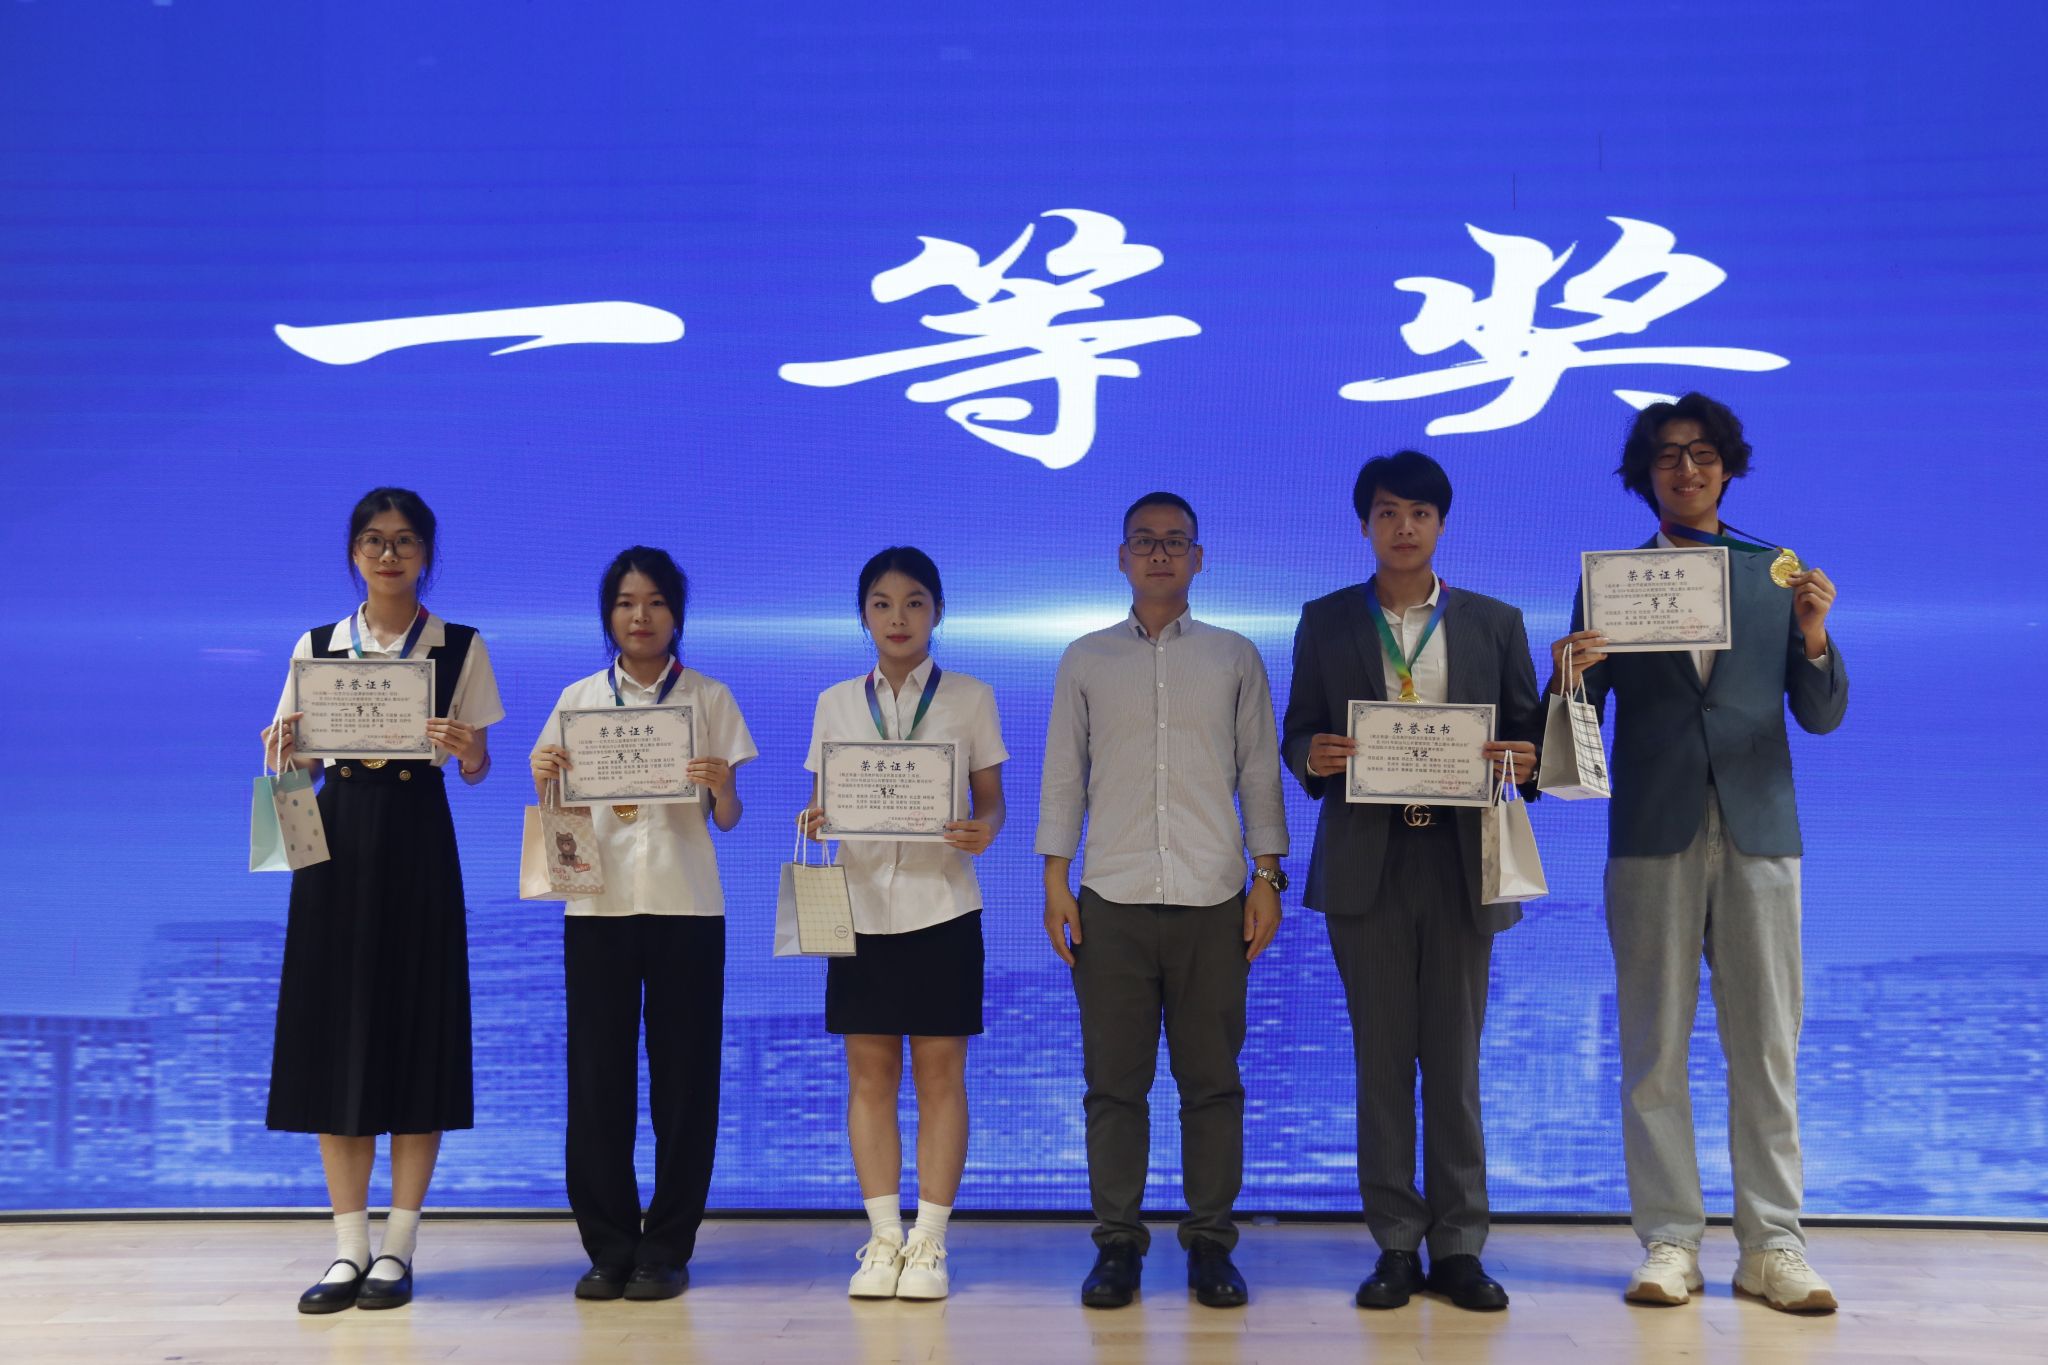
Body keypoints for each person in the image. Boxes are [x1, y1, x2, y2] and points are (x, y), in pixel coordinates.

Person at [1551, 393, 1847, 1313]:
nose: (1687, 469)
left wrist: (1814, 634)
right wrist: (1569, 676)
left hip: (1760, 828)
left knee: (1767, 1043)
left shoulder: (1775, 572)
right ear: (1644, 476)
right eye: (1668, 455)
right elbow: (1576, 726)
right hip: (1651, 829)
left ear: (1728, 466)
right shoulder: (1612, 582)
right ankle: (1670, 1238)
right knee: (1652, 1044)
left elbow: (1821, 713)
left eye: (1703, 452)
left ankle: (1774, 1243)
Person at [1280, 451, 1543, 1313]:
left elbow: (1531, 738)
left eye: (1420, 513)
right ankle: (1396, 1241)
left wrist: (1526, 756)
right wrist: (1313, 756)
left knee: (1456, 1063)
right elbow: (1298, 732)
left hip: (1463, 861)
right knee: (1382, 1061)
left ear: (1441, 525)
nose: (1404, 527)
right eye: (1388, 512)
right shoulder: (1326, 620)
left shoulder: (1496, 622)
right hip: (1369, 863)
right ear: (1365, 523)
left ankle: (1460, 1245)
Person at [1038, 492, 1288, 1311]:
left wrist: (1268, 876)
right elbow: (1064, 775)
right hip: (1108, 896)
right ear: (1121, 557)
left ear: (1198, 558)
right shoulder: (1084, 658)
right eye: (1143, 541)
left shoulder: (1234, 656)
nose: (1158, 554)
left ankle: (1211, 1243)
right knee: (1114, 1085)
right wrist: (1055, 878)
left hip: (1214, 894)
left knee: (1211, 1082)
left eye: (1174, 541)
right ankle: (1117, 1245)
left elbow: (1259, 770)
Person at [261, 488, 503, 1313]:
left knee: (416, 1029)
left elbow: (477, 766)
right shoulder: (318, 644)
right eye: (373, 540)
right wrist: (285, 753)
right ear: (354, 554)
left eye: (404, 540)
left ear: (426, 553)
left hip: (419, 839)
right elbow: (299, 768)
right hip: (335, 845)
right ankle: (347, 1248)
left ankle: (399, 1244)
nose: (389, 554)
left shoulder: (460, 644)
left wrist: (471, 753)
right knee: (337, 1035)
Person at [530, 547, 754, 1302]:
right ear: (608, 615)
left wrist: (723, 789)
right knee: (597, 1078)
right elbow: (558, 815)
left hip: (687, 906)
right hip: (598, 908)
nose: (641, 616)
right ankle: (608, 1245)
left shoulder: (709, 697)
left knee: (685, 1082)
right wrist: (545, 780)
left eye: (656, 602)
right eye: (627, 602)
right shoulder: (579, 699)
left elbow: (728, 818)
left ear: (676, 614)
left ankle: (666, 1246)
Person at [802, 547, 1007, 1302]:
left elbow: (993, 803)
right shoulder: (834, 702)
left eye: (915, 602)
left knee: (941, 1075)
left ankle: (930, 1241)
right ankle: (884, 1237)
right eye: (883, 604)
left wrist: (984, 830)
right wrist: (817, 817)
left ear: (937, 611)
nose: (899, 618)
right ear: (864, 614)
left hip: (942, 906)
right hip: (858, 910)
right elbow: (823, 801)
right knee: (869, 1075)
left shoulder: (971, 697)